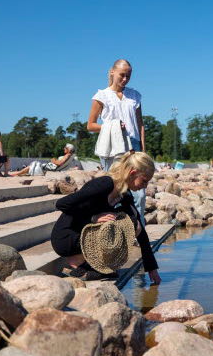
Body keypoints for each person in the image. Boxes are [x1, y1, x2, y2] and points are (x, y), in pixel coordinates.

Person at [50, 151, 161, 284]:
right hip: (66, 236)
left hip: (85, 234)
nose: (145, 186)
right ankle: (75, 262)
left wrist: (151, 268)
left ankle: (87, 264)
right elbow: (61, 204)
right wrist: (93, 218)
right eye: (144, 181)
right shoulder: (104, 184)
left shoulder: (124, 194)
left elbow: (140, 231)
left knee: (134, 224)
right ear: (132, 173)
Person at [87, 59, 147, 223]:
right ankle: (115, 231)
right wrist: (112, 126)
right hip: (112, 147)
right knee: (114, 191)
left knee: (139, 194)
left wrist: (143, 150)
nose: (125, 79)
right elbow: (90, 125)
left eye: (128, 76)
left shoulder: (134, 95)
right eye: (122, 75)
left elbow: (140, 125)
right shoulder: (102, 96)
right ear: (112, 72)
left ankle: (139, 231)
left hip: (133, 146)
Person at [10, 143, 77, 176]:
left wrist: (53, 160)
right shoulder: (70, 156)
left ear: (68, 149)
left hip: (51, 168)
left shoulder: (67, 155)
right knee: (32, 166)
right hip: (52, 168)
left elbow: (59, 163)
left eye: (65, 148)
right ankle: (18, 173)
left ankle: (16, 173)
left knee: (31, 167)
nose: (64, 149)